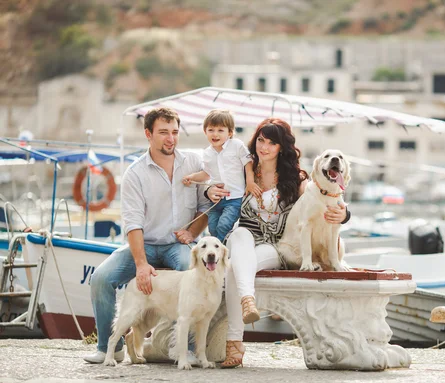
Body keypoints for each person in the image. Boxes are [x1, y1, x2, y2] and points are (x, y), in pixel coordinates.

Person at [205, 118, 350, 368]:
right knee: (238, 236)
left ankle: (235, 344)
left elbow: (326, 198)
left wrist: (345, 214)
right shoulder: (242, 172)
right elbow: (212, 189)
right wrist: (209, 191)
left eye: (272, 142)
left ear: (281, 147)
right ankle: (247, 300)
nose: (264, 147)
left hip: (276, 246)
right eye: (261, 140)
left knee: (232, 268)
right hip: (246, 238)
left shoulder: (298, 180)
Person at [83, 107, 211, 364]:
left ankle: (186, 349)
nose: (170, 138)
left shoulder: (194, 164)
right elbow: (132, 223)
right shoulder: (135, 173)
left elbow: (206, 207)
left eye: (174, 132)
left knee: (190, 270)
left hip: (178, 245)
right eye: (163, 132)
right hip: (145, 245)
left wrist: (191, 232)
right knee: (100, 279)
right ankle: (111, 347)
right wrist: (141, 264)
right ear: (148, 134)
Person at [183, 109, 261, 242]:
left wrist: (250, 182)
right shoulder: (207, 153)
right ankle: (219, 250)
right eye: (211, 130)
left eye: (220, 130)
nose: (215, 134)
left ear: (230, 132)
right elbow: (207, 174)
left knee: (224, 224)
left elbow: (248, 163)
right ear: (205, 131)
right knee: (213, 226)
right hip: (216, 200)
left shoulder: (236, 145)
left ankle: (219, 251)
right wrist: (192, 177)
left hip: (235, 197)